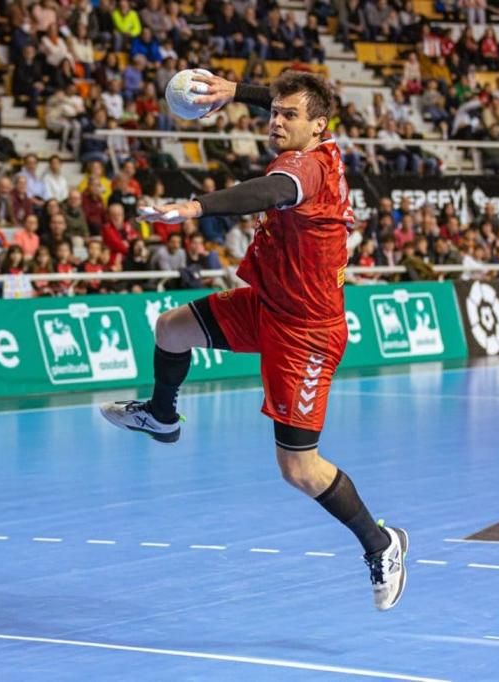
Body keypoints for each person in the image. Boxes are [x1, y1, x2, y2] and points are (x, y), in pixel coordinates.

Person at [99, 71, 408, 612]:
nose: (277, 121)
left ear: (318, 126)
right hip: (269, 303)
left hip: (307, 333)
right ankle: (162, 416)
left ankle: (382, 544)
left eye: (289, 116)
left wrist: (194, 208)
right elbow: (298, 99)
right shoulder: (317, 133)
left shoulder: (305, 168)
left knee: (299, 469)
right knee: (171, 329)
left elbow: (267, 191)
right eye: (275, 113)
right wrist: (235, 92)